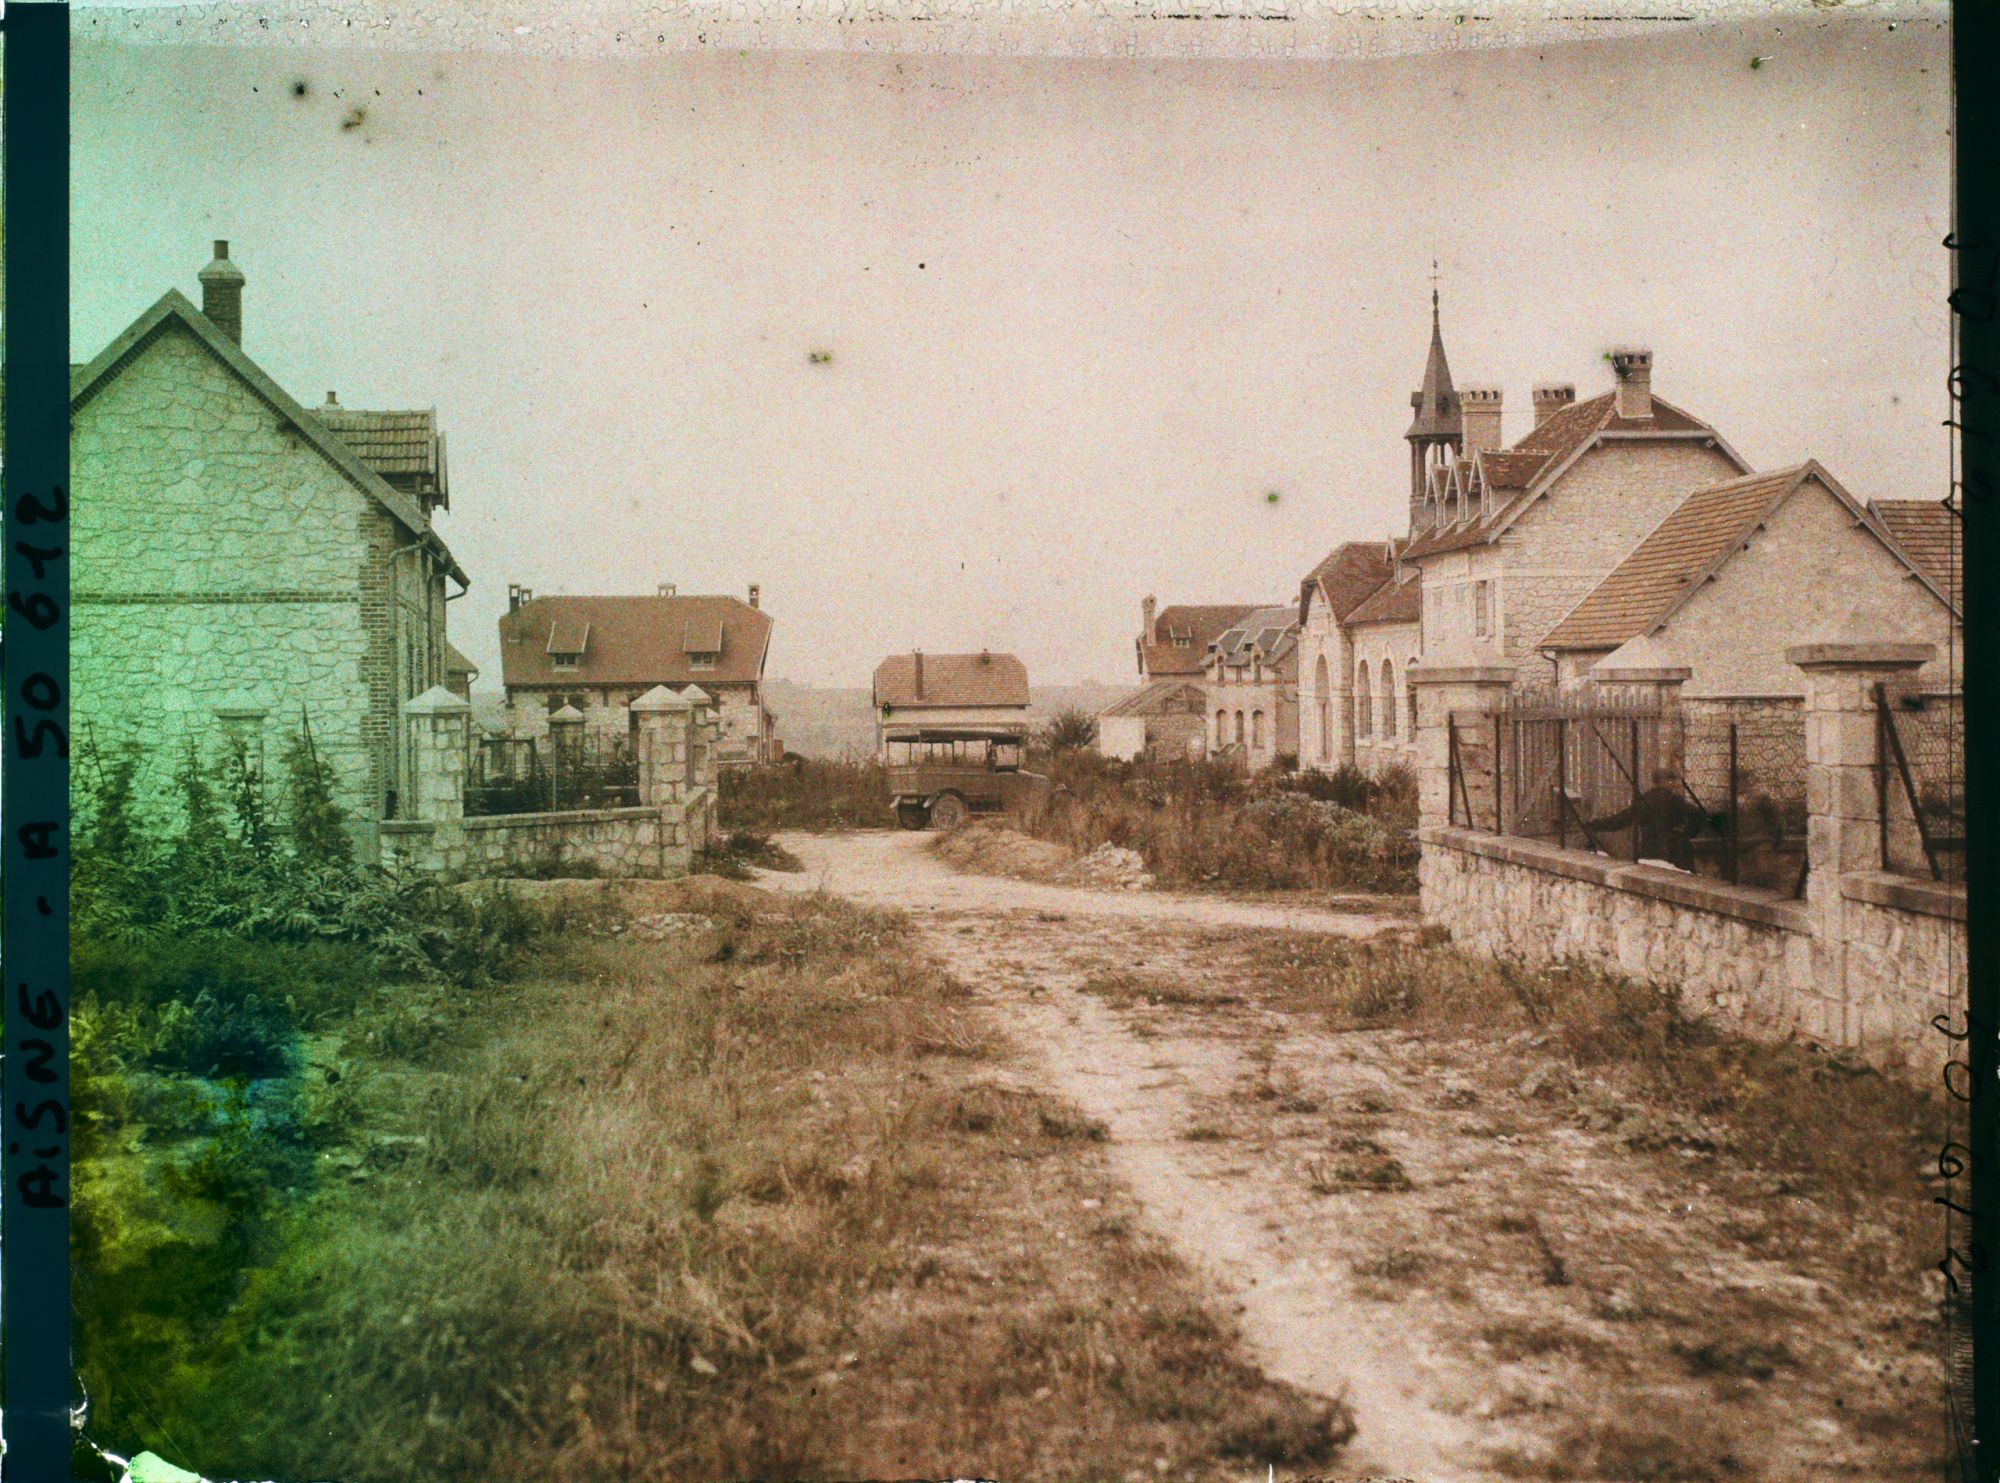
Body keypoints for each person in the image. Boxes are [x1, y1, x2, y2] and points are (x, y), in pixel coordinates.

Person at [1578, 765, 1719, 871]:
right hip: (1675, 850)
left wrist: (1596, 825)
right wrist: (1687, 832)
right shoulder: (1674, 799)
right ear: (1665, 781)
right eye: (1672, 780)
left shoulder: (1644, 799)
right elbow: (1696, 815)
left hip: (1651, 849)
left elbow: (1622, 819)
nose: (1675, 783)